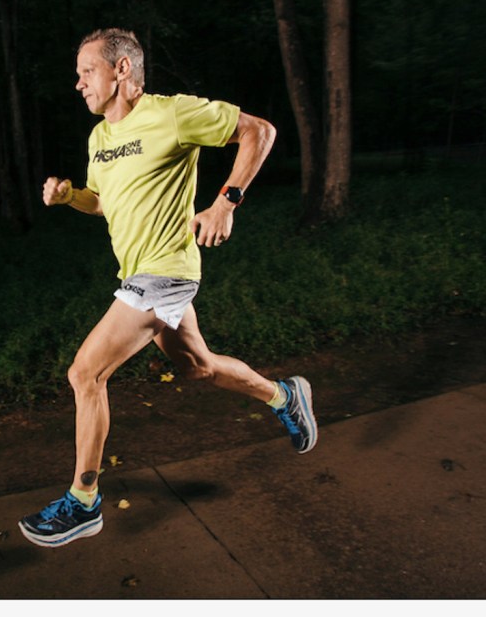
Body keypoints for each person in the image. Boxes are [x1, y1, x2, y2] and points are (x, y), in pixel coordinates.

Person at [18, 28, 317, 548]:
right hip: (139, 274)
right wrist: (71, 197)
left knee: (85, 373)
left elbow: (260, 132)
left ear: (122, 70)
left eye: (87, 71)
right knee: (197, 366)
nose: (79, 83)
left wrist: (226, 202)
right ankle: (284, 396)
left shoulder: (172, 113)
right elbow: (107, 204)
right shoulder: (99, 140)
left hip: (166, 270)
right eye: (79, 74)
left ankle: (83, 500)